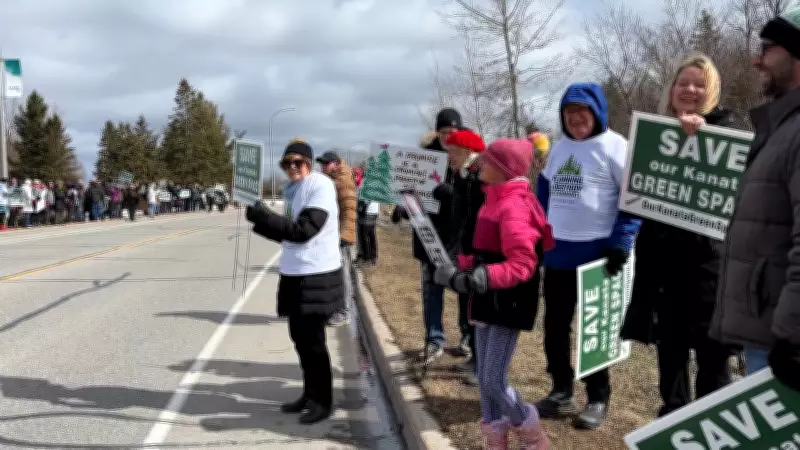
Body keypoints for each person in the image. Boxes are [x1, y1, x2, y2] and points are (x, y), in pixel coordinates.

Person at [620, 53, 737, 417]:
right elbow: (634, 197)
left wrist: (705, 133)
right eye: (683, 83)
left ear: (712, 91)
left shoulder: (730, 135)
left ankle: (711, 427)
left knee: (713, 359)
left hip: (709, 272)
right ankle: (673, 422)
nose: (690, 90)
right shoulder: (652, 135)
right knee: (670, 354)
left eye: (699, 84)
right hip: (662, 270)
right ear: (671, 90)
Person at [434, 138, 554, 450]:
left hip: (507, 303)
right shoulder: (494, 197)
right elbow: (487, 250)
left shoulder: (515, 205)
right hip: (488, 299)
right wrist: (458, 268)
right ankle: (494, 441)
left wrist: (476, 277)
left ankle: (532, 434)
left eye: (487, 161)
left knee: (492, 380)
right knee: (486, 384)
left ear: (503, 169)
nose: (480, 164)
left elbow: (523, 264)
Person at [535, 82, 641, 429]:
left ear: (597, 113)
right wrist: (538, 235)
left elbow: (633, 198)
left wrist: (621, 241)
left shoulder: (617, 147)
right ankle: (560, 388)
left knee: (595, 329)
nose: (576, 119)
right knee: (554, 326)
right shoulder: (559, 148)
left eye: (582, 112)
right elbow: (544, 194)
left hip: (598, 251)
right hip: (559, 251)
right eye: (569, 113)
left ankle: (597, 396)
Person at [710, 6, 800, 392]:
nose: (756, 60)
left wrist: (792, 335)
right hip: (768, 333)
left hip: (784, 343)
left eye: (767, 48)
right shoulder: (782, 126)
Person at [246, 138, 345, 424]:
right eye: (287, 163)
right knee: (299, 339)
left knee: (313, 341)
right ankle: (309, 393)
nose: (292, 168)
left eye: (298, 162)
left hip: (317, 273)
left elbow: (304, 231)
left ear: (309, 163)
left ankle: (323, 401)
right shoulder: (291, 189)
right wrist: (260, 220)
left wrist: (266, 216)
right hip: (294, 271)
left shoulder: (320, 186)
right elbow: (287, 234)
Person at [392, 108, 461, 364]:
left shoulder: (467, 157)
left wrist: (453, 193)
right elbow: (410, 190)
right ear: (437, 132)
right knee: (432, 290)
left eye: (452, 132)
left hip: (457, 237)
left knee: (464, 291)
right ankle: (434, 339)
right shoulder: (423, 158)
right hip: (428, 233)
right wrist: (403, 207)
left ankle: (466, 337)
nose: (447, 137)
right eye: (443, 132)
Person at [432, 128, 486, 385]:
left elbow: (475, 214)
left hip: (478, 252)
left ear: (466, 152)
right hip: (463, 249)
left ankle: (483, 365)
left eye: (452, 151)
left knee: (478, 310)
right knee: (468, 307)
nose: (449, 155)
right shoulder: (462, 175)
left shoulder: (480, 177)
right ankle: (475, 357)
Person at [316, 150, 358, 327]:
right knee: (333, 274)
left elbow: (349, 209)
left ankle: (345, 311)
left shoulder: (343, 181)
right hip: (332, 236)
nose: (323, 167)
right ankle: (334, 308)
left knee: (342, 275)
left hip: (342, 237)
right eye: (322, 164)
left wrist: (345, 235)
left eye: (326, 164)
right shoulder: (333, 180)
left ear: (336, 164)